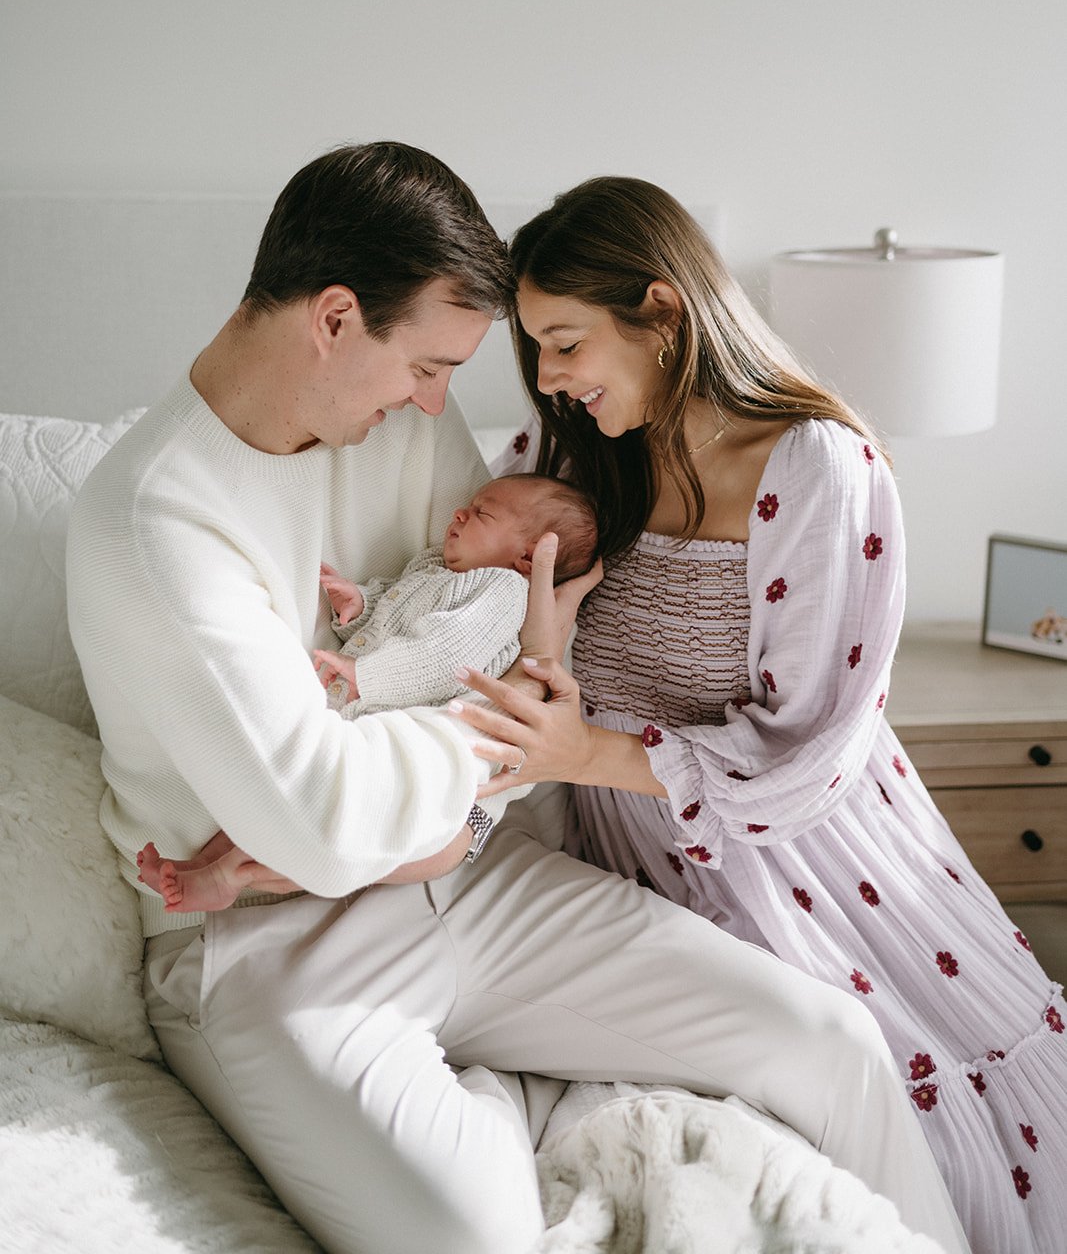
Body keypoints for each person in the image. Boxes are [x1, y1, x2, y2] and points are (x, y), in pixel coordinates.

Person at [66, 143, 970, 1254]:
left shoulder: (394, 415)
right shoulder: (157, 527)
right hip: (258, 941)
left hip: (479, 876)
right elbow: (334, 817)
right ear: (336, 319)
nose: (441, 404)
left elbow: (508, 647)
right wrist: (503, 751)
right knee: (471, 1236)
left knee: (835, 1046)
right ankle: (513, 1114)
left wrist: (478, 775)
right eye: (428, 367)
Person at [456, 172, 1066, 1254]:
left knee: (894, 1097)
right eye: (534, 349)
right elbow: (465, 612)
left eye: (563, 342)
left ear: (659, 310)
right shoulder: (564, 462)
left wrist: (582, 746)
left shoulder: (816, 466)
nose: (546, 381)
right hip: (628, 859)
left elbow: (809, 754)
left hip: (810, 863)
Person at [136, 472, 597, 914]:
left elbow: (446, 657)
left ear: (527, 557)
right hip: (376, 717)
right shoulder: (435, 565)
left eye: (481, 513)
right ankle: (202, 866)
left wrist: (367, 674)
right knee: (284, 801)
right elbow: (397, 607)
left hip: (432, 767)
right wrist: (359, 603)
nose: (459, 513)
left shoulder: (502, 590)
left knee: (319, 823)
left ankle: (225, 878)